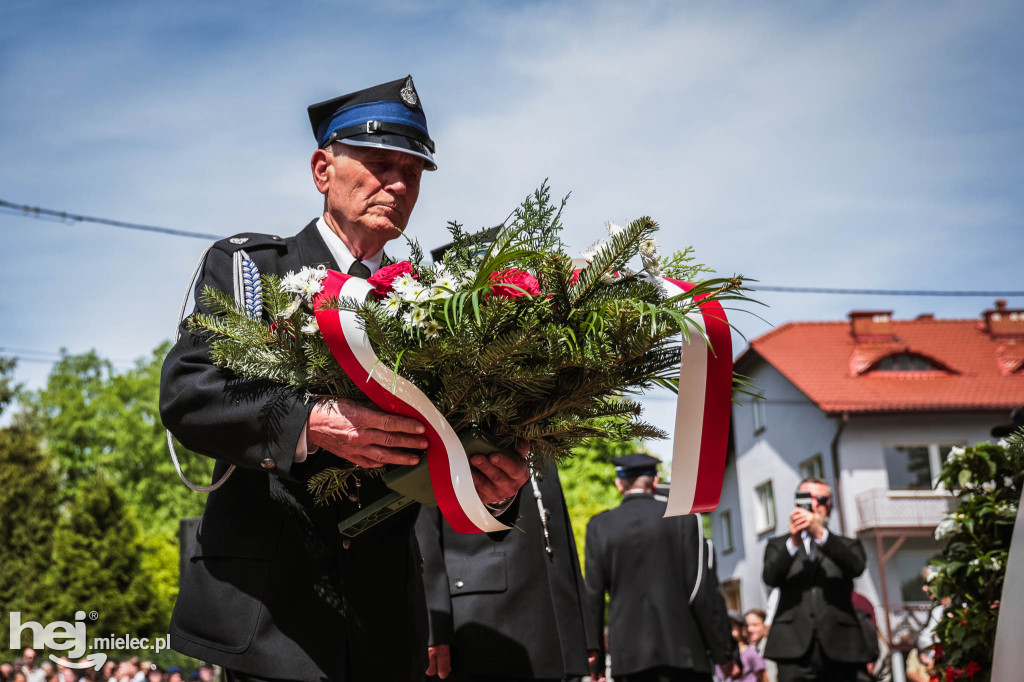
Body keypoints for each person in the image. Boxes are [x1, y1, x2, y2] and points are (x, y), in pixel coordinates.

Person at [160, 75, 529, 681]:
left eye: (413, 173)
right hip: (273, 617)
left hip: (386, 624)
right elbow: (189, 394)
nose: (400, 185)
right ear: (321, 169)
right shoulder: (252, 271)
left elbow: (453, 445)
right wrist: (310, 422)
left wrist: (491, 484)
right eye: (381, 164)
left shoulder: (438, 302)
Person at [416, 463, 595, 681]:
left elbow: (557, 528)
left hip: (547, 620)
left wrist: (581, 629)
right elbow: (423, 519)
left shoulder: (541, 435)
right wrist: (434, 628)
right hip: (479, 621)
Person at [583, 453, 739, 682]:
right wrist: (723, 653)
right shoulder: (684, 518)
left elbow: (593, 598)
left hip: (629, 659)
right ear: (655, 482)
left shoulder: (599, 526)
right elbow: (701, 591)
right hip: (684, 655)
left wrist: (595, 660)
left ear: (619, 484)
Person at [761, 477, 872, 682]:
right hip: (792, 646)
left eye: (820, 499)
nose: (814, 505)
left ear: (829, 506)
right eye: (807, 498)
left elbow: (856, 567)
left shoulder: (847, 544)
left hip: (840, 644)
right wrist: (794, 540)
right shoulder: (779, 545)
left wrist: (821, 533)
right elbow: (770, 577)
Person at [717, 611, 766, 682]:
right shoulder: (724, 654)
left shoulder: (750, 653)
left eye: (732, 624)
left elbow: (763, 678)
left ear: (741, 627)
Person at [744, 609, 777, 682]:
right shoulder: (750, 650)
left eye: (755, 625)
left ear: (765, 626)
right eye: (747, 625)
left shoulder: (770, 649)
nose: (750, 629)